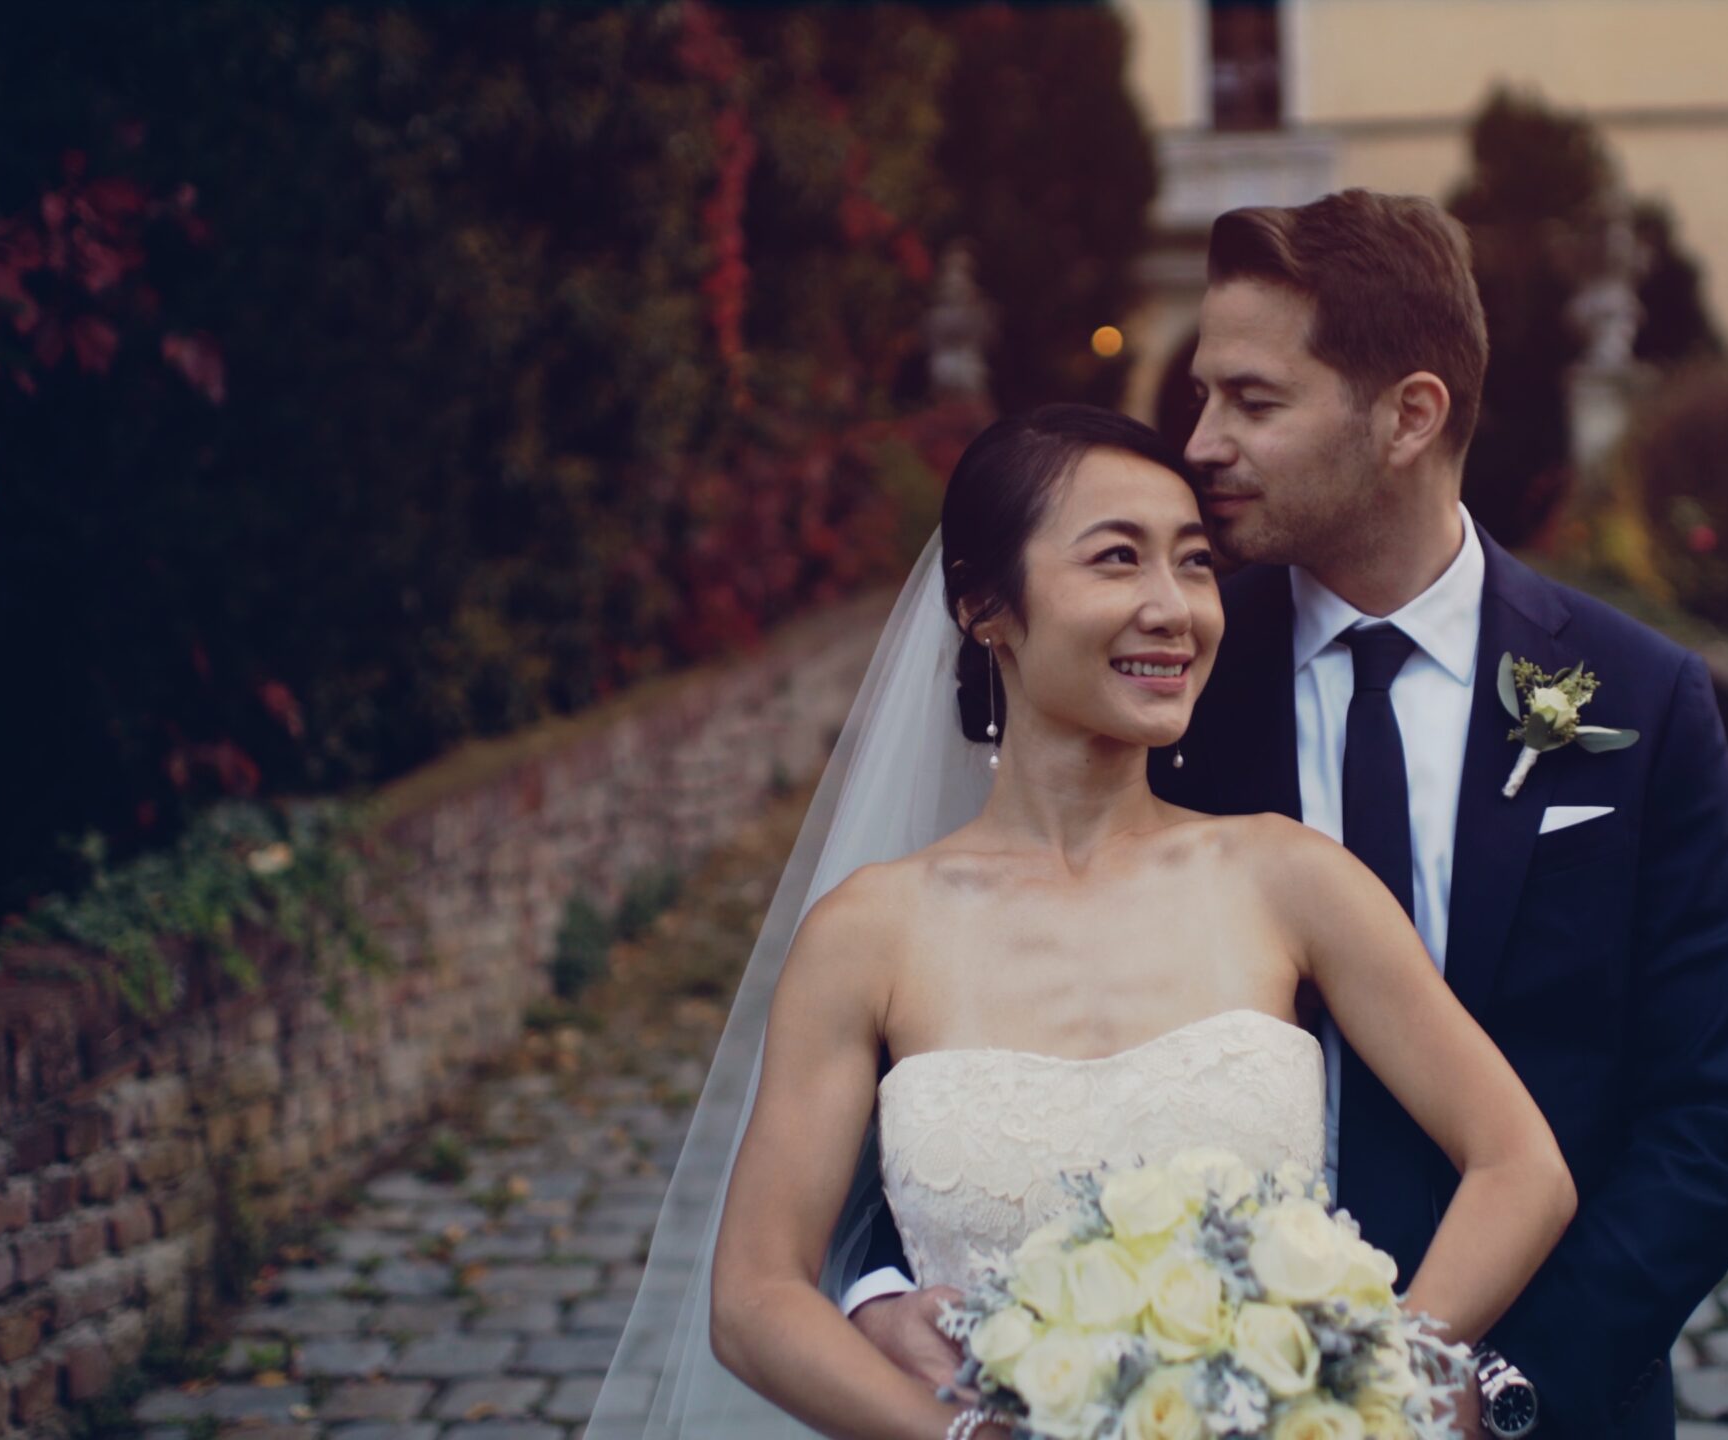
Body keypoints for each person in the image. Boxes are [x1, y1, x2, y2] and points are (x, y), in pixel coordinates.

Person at [848, 192, 1728, 1438]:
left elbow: (1714, 1115)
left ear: (1407, 415)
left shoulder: (1637, 701)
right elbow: (966, 992)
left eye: (1252, 401)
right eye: (1199, 397)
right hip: (1180, 1393)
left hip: (1536, 1402)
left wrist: (1478, 1388)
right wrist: (873, 1279)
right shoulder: (1163, 678)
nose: (1201, 443)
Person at [603, 404, 1576, 1439]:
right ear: (986, 607)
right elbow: (755, 1299)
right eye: (1117, 559)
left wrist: (1350, 1389)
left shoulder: (1287, 878)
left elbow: (1521, 1167)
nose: (1174, 609)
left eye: (1194, 564)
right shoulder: (868, 934)